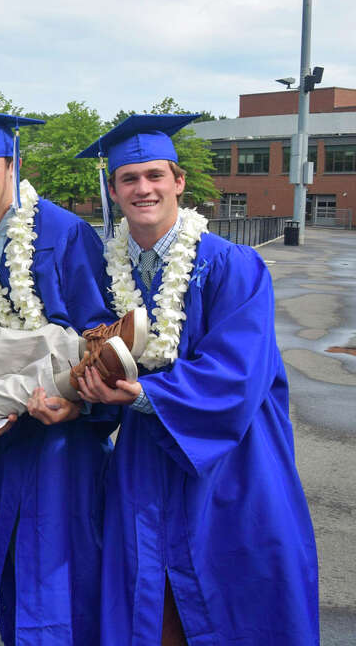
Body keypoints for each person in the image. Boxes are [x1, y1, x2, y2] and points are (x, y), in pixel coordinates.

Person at [75, 114, 319, 645]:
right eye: (129, 179)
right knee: (152, 604)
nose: (144, 188)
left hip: (233, 463)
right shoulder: (110, 270)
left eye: (155, 176)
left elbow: (238, 373)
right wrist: (90, 391)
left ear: (178, 182)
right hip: (144, 462)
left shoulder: (232, 265)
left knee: (229, 598)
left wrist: (143, 394)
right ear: (114, 191)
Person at [0, 108, 118, 645]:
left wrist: (80, 405)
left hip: (60, 436)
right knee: (11, 562)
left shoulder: (65, 232)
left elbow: (98, 334)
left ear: (12, 163)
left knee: (64, 562)